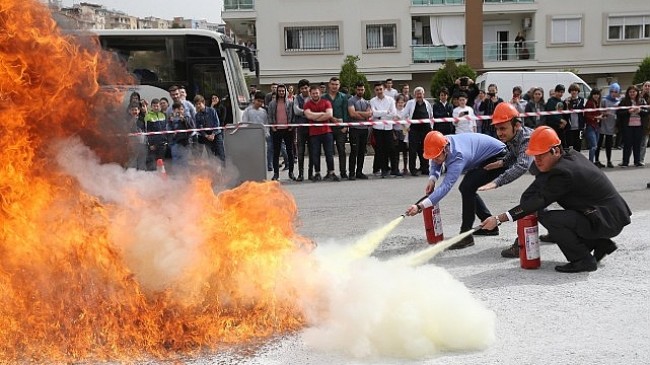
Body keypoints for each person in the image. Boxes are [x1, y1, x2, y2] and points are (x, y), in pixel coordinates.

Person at [483, 126, 631, 273]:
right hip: (608, 215)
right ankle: (600, 244)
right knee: (550, 213)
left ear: (556, 150)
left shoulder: (563, 173)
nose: (537, 160)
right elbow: (531, 194)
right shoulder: (569, 157)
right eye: (535, 156)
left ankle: (582, 260)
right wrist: (525, 205)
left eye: (541, 155)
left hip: (607, 220)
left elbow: (538, 201)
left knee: (551, 218)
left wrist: (498, 219)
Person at [404, 131, 507, 249]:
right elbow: (436, 160)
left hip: (499, 157)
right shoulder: (442, 142)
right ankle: (490, 227)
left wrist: (419, 206)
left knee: (467, 187)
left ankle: (465, 236)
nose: (435, 159)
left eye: (437, 156)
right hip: (486, 156)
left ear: (445, 149)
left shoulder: (458, 156)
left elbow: (446, 186)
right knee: (467, 188)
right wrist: (432, 179)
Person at [304, 85, 339, 182]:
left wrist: (315, 117)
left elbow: (329, 115)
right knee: (315, 154)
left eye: (317, 93)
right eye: (313, 93)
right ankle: (317, 173)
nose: (315, 95)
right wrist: (322, 114)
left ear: (320, 93)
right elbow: (308, 115)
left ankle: (331, 172)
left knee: (329, 153)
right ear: (310, 94)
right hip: (314, 133)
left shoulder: (326, 102)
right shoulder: (307, 104)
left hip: (327, 132)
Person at [370, 82, 400, 178]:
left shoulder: (390, 100)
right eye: (377, 90)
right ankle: (384, 169)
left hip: (388, 127)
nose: (379, 91)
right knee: (380, 149)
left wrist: (381, 115)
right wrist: (386, 112)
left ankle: (394, 169)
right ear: (375, 91)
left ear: (384, 89)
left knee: (391, 149)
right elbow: (374, 113)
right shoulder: (372, 101)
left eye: (380, 89)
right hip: (378, 128)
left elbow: (394, 113)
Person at [322, 77, 349, 179]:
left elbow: (346, 112)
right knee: (328, 151)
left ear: (339, 85)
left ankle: (343, 172)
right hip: (328, 128)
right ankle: (330, 171)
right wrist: (332, 119)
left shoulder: (343, 97)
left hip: (341, 128)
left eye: (336, 84)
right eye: (333, 84)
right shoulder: (323, 97)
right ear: (329, 85)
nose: (334, 86)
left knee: (341, 150)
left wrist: (345, 125)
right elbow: (323, 112)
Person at [403, 86, 433, 176]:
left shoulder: (427, 104)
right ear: (414, 94)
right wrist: (406, 126)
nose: (419, 95)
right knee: (413, 150)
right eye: (417, 93)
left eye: (421, 93)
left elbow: (431, 116)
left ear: (423, 94)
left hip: (425, 130)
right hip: (414, 130)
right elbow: (404, 115)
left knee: (424, 150)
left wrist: (431, 127)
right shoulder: (410, 103)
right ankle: (413, 169)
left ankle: (425, 168)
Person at [267, 84, 295, 180]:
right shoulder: (272, 103)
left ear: (286, 92)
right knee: (276, 152)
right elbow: (270, 115)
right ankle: (276, 174)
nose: (281, 92)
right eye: (280, 91)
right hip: (276, 130)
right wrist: (273, 126)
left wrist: (291, 126)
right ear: (277, 92)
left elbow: (293, 114)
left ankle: (291, 172)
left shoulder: (290, 102)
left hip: (288, 130)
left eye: (283, 91)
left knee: (290, 152)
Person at [616, 85, 648, 167]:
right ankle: (625, 162)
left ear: (637, 92)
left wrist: (640, 110)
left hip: (639, 126)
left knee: (637, 144)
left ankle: (637, 161)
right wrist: (628, 111)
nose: (632, 93)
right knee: (627, 144)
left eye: (634, 92)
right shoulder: (623, 101)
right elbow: (619, 113)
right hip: (627, 126)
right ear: (628, 93)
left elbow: (647, 112)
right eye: (630, 92)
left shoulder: (641, 100)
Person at [347, 81, 373, 180]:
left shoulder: (367, 102)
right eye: (358, 89)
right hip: (354, 129)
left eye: (362, 89)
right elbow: (352, 114)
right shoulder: (351, 100)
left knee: (362, 151)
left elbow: (369, 114)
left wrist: (359, 113)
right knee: (354, 151)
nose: (360, 91)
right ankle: (352, 173)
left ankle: (359, 171)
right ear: (355, 90)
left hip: (364, 130)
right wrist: (364, 115)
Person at [292, 79, 313, 181]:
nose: (304, 90)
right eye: (302, 88)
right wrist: (308, 112)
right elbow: (296, 111)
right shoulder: (296, 98)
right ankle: (301, 174)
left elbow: (315, 109)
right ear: (299, 89)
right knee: (300, 152)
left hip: (311, 128)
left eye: (306, 88)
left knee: (312, 151)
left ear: (309, 88)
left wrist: (304, 112)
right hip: (300, 129)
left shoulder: (312, 97)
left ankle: (311, 173)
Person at [194, 94, 225, 163]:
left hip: (216, 134)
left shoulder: (212, 110)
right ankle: (214, 171)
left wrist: (213, 134)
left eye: (199, 104)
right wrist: (206, 135)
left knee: (220, 154)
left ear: (203, 103)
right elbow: (199, 128)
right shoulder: (197, 115)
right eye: (196, 104)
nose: (198, 106)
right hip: (206, 135)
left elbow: (217, 123)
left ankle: (223, 171)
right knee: (211, 155)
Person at [596, 83, 620, 168]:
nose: (613, 93)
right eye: (612, 91)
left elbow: (619, 113)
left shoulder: (618, 101)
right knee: (598, 144)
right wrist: (604, 113)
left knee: (609, 144)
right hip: (602, 124)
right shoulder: (604, 100)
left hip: (612, 124)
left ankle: (609, 161)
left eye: (615, 91)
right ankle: (596, 160)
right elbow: (599, 111)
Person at [143, 98, 168, 170]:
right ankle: (153, 177)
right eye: (154, 106)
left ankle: (161, 177)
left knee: (161, 162)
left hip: (163, 143)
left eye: (157, 106)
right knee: (152, 162)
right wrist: (150, 144)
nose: (156, 107)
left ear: (160, 106)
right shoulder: (148, 116)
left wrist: (166, 141)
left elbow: (165, 129)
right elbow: (148, 132)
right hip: (153, 144)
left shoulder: (163, 115)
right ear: (151, 107)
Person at [563, 83, 585, 151]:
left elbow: (580, 109)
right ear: (570, 91)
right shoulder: (566, 101)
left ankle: (578, 160)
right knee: (570, 146)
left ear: (578, 91)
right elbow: (565, 112)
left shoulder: (581, 100)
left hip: (579, 127)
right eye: (572, 90)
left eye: (575, 90)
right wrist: (567, 104)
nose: (574, 92)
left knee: (578, 145)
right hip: (569, 127)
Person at [583, 89, 603, 164]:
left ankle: (592, 161)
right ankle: (591, 162)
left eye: (597, 94)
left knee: (595, 146)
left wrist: (602, 116)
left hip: (597, 126)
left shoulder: (598, 103)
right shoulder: (589, 103)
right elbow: (586, 115)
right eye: (594, 94)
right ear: (592, 95)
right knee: (593, 146)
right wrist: (596, 117)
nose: (596, 96)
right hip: (590, 126)